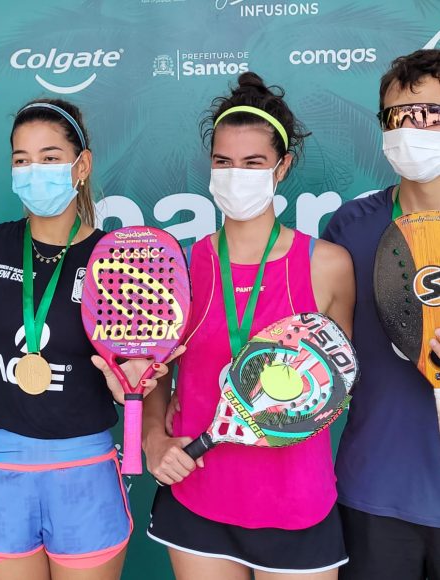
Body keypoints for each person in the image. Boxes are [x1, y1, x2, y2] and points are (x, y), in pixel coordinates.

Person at [0, 98, 179, 580]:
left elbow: (137, 374)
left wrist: (133, 384)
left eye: (50, 157)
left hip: (84, 468)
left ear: (82, 165)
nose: (34, 170)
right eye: (22, 159)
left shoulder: (118, 260)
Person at [142, 72, 355, 580]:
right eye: (223, 162)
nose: (236, 175)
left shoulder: (328, 265)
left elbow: (338, 380)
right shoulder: (180, 266)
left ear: (283, 166)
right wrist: (152, 438)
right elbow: (155, 375)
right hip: (196, 493)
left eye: (253, 162)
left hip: (297, 503)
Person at [322, 48, 440, 580]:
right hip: (375, 493)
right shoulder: (351, 227)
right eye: (400, 116)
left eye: (431, 114)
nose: (414, 128)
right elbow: (323, 349)